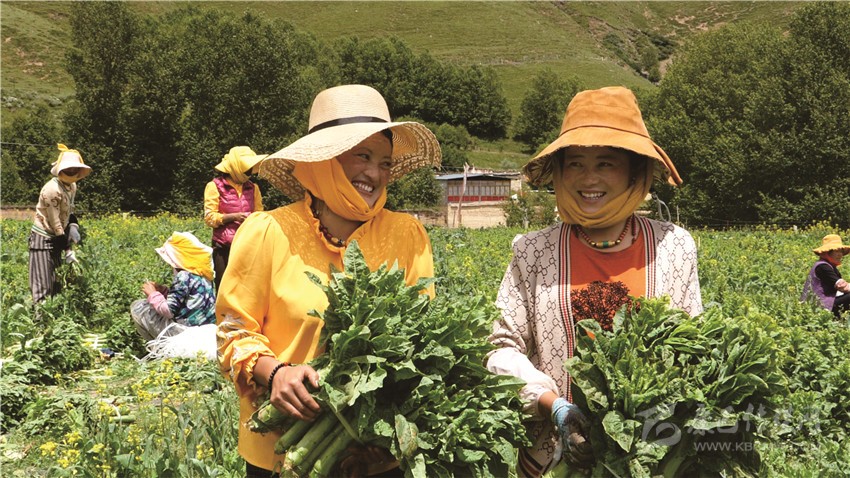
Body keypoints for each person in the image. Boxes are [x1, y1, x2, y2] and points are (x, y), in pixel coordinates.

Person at [215, 84, 441, 477]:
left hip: (376, 455)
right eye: (362, 156)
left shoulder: (407, 235)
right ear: (325, 159)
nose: (375, 173)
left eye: (385, 162)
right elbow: (232, 331)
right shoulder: (268, 231)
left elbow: (421, 342)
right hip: (282, 451)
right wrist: (276, 372)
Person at [486, 86, 703, 477]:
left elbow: (693, 349)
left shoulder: (674, 247)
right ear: (560, 171)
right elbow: (500, 348)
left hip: (651, 456)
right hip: (552, 456)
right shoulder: (532, 251)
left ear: (634, 170)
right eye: (575, 163)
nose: (589, 178)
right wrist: (552, 405)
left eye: (606, 163)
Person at [29, 144, 92, 305]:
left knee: (56, 282)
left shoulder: (72, 186)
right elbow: (55, 221)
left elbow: (69, 210)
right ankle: (40, 319)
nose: (71, 172)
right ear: (60, 169)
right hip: (43, 238)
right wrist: (68, 248)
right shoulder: (51, 190)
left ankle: (55, 315)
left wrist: (73, 225)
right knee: (42, 284)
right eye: (68, 169)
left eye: (74, 169)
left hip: (58, 236)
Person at [130, 232, 217, 341]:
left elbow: (169, 311)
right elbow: (186, 300)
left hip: (186, 332)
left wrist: (153, 294)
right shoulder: (203, 275)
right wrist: (164, 291)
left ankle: (160, 346)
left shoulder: (183, 276)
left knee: (139, 308)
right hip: (207, 329)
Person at [203, 146, 266, 291]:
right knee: (224, 288)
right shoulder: (214, 186)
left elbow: (260, 214)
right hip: (223, 248)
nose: (249, 173)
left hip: (247, 246)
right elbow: (210, 218)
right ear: (236, 167)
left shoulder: (253, 188)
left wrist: (254, 219)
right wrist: (234, 217)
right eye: (247, 169)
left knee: (247, 289)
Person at [801, 234, 850, 318]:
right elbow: (842, 286)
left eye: (841, 251)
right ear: (827, 252)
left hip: (823, 302)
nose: (840, 254)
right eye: (836, 251)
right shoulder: (822, 267)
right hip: (817, 307)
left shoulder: (828, 266)